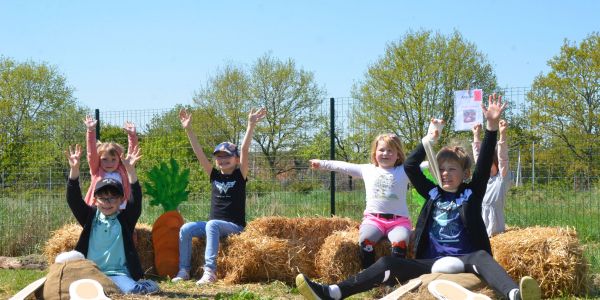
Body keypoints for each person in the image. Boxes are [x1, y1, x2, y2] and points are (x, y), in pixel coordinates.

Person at [296, 94, 541, 300]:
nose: (445, 174)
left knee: (483, 258)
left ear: (464, 173)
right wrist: (429, 139)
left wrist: (491, 128)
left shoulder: (471, 193)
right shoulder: (433, 193)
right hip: (430, 261)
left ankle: (514, 295)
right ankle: (333, 293)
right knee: (386, 265)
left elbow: (485, 159)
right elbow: (411, 166)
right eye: (442, 169)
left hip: (466, 259)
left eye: (452, 169)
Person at [172, 107, 266, 285]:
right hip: (212, 227)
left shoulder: (240, 175)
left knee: (212, 225)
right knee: (186, 228)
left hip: (234, 226)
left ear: (236, 159)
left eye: (227, 157)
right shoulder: (214, 175)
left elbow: (245, 149)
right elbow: (199, 153)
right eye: (219, 157)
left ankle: (210, 271)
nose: (222, 160)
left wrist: (250, 125)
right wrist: (188, 129)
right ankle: (184, 270)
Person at [64, 144, 159, 294]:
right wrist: (74, 169)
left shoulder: (125, 219)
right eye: (103, 198)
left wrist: (131, 170)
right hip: (91, 271)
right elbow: (73, 199)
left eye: (113, 197)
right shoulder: (90, 217)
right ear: (95, 200)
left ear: (121, 200)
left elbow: (136, 199)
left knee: (133, 291)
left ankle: (148, 285)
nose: (108, 202)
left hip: (118, 274)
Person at [309, 133, 411, 268]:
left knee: (400, 242)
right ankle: (369, 274)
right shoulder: (367, 169)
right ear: (375, 153)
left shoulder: (405, 170)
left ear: (398, 154)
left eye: (390, 150)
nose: (385, 153)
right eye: (381, 150)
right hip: (374, 220)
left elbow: (427, 165)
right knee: (365, 240)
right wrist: (322, 163)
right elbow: (343, 166)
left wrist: (442, 156)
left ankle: (394, 276)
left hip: (399, 222)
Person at [83, 116, 139, 208]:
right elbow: (91, 153)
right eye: (105, 159)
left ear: (119, 160)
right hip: (99, 209)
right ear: (99, 160)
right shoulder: (97, 170)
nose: (109, 163)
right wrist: (90, 130)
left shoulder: (123, 170)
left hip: (120, 209)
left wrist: (132, 136)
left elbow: (132, 154)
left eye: (113, 159)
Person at [472, 119, 510, 237]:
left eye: (490, 164)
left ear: (496, 163)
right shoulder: (483, 179)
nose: (487, 167)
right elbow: (479, 157)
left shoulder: (502, 178)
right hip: (480, 223)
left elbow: (503, 157)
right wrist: (476, 135)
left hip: (496, 229)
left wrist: (502, 134)